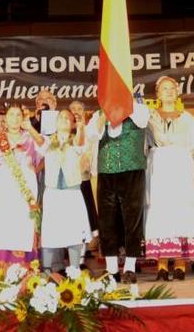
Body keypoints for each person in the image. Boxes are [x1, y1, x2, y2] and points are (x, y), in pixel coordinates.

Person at [145, 77, 194, 280]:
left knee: (182, 213)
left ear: (177, 92)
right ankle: (160, 265)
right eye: (164, 88)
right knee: (160, 214)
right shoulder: (149, 117)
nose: (168, 91)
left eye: (172, 88)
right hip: (158, 168)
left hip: (182, 168)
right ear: (157, 94)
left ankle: (179, 265)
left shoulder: (188, 119)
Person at [0, 104, 44, 277]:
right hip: (3, 185)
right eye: (11, 115)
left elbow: (44, 150)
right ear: (6, 118)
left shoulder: (30, 138)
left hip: (24, 186)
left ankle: (22, 270)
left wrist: (36, 168)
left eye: (18, 115)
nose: (15, 118)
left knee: (21, 225)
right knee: (1, 224)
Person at [86, 96, 150, 283]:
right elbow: (92, 135)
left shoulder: (138, 109)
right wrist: (103, 114)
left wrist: (125, 104)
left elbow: (142, 120)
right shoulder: (99, 115)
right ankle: (111, 269)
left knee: (133, 219)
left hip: (133, 171)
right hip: (107, 173)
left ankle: (129, 267)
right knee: (107, 221)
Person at [38, 109, 91, 274]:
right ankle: (47, 271)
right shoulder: (48, 141)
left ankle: (74, 271)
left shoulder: (75, 140)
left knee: (73, 230)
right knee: (50, 230)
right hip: (52, 192)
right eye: (61, 117)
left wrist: (81, 128)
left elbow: (80, 144)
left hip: (71, 193)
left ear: (72, 124)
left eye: (68, 119)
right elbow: (39, 142)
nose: (64, 120)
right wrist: (29, 127)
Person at [70, 100, 100, 261]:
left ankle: (86, 248)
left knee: (87, 214)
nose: (76, 111)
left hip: (85, 178)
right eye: (72, 109)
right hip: (69, 182)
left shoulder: (91, 131)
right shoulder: (66, 131)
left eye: (79, 108)